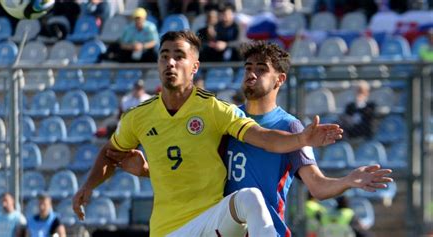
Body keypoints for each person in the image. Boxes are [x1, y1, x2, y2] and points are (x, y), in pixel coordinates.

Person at [106, 41, 393, 236]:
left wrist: (347, 180)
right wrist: (146, 171)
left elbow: (316, 186)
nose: (251, 75)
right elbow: (193, 170)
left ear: (279, 80)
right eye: (248, 68)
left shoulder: (290, 128)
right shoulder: (226, 119)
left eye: (261, 69)